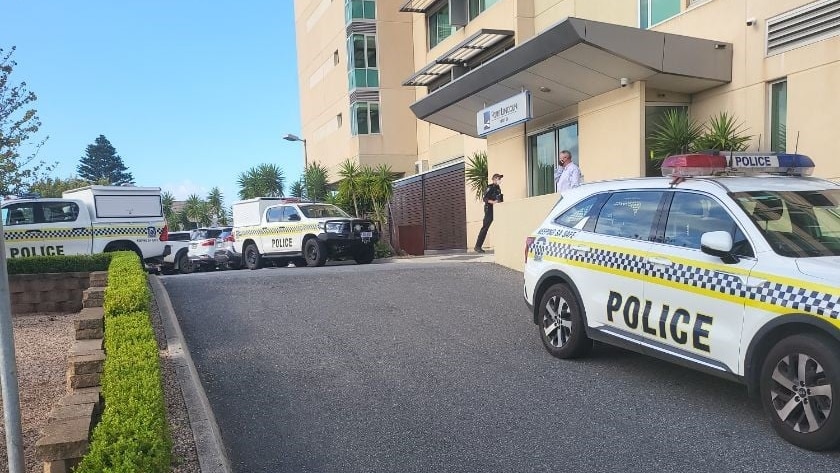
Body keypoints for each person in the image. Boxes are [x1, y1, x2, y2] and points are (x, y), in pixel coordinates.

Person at [474, 173, 503, 253]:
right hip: (489, 209)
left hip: (496, 209)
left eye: (500, 179)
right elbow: (485, 198)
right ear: (494, 180)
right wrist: (493, 202)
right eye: (498, 179)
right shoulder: (490, 187)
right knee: (485, 227)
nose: (500, 180)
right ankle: (477, 246)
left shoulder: (498, 188)